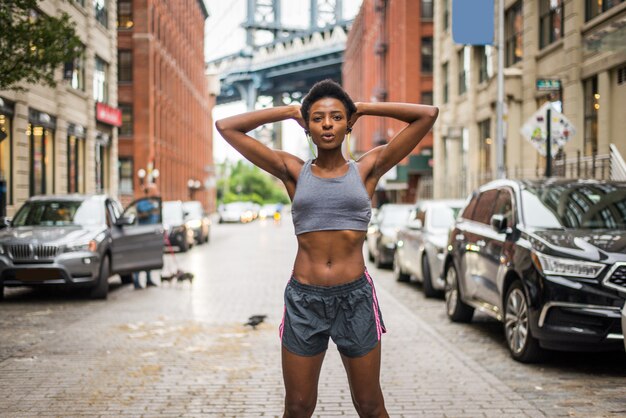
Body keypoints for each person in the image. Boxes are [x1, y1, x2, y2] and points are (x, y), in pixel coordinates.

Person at [215, 79, 438, 417]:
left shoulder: (367, 169)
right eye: (317, 118)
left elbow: (427, 115)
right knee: (298, 406)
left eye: (336, 117)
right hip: (305, 301)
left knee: (369, 404)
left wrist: (362, 107)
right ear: (308, 127)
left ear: (348, 124)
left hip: (356, 299)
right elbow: (227, 126)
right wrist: (291, 111)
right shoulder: (293, 171)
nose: (327, 124)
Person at [134, 183, 160, 289]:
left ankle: (148, 279)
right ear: (149, 192)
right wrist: (153, 205)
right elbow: (142, 211)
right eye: (154, 190)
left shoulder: (156, 203)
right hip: (142, 236)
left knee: (149, 258)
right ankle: (136, 281)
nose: (156, 192)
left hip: (152, 235)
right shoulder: (142, 203)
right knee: (140, 259)